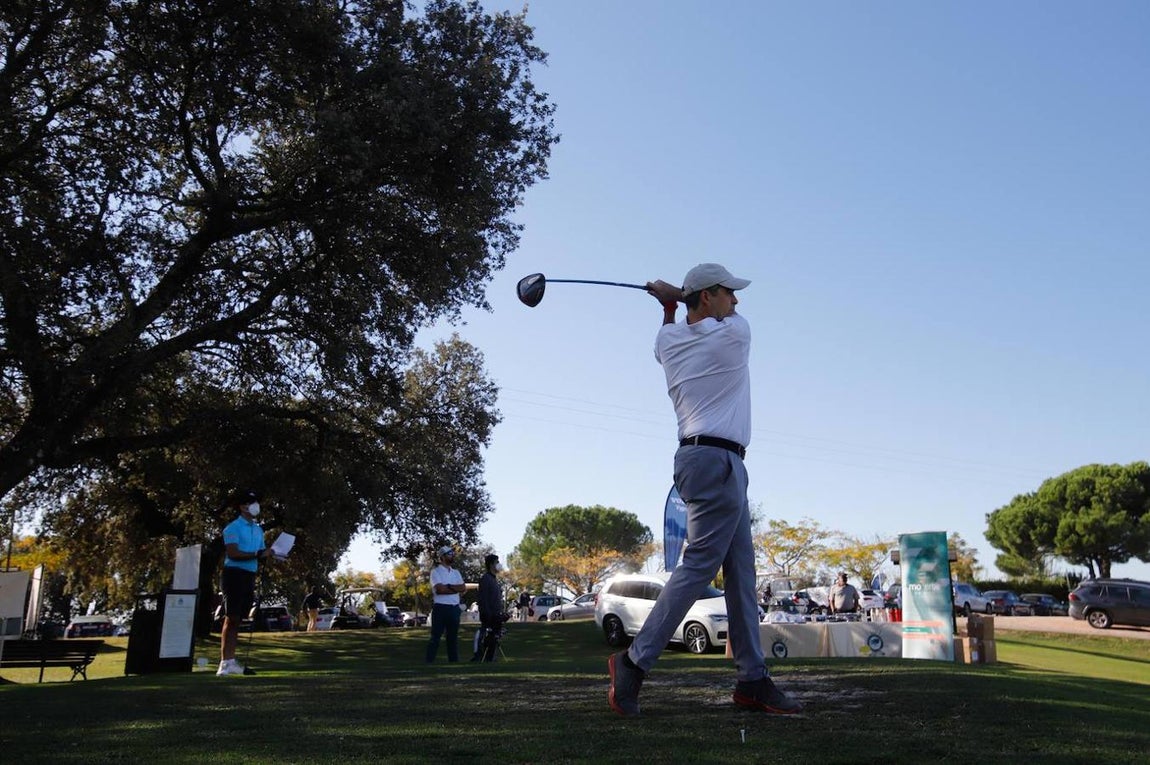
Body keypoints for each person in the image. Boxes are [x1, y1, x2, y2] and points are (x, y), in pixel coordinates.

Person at [607, 263, 802, 717]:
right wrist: (676, 296)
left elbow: (668, 335)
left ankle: (752, 679)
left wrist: (670, 306)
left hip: (706, 460)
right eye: (728, 292)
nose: (736, 300)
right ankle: (633, 663)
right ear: (709, 296)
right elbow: (710, 318)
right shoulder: (734, 334)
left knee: (742, 573)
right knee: (698, 567)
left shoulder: (669, 341)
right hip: (717, 461)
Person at [218, 488, 272, 676]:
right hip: (233, 574)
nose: (256, 506)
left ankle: (231, 661)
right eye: (251, 503)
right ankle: (224, 663)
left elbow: (260, 553)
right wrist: (258, 554)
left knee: (239, 618)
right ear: (242, 507)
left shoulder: (258, 530)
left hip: (249, 575)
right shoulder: (232, 528)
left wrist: (271, 553)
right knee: (231, 617)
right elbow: (233, 553)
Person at [425, 545, 466, 663]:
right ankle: (429, 662)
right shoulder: (435, 572)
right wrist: (454, 589)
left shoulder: (456, 572)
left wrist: (448, 586)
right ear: (442, 557)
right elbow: (440, 590)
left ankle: (454, 662)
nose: (452, 556)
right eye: (449, 554)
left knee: (452, 638)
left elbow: (462, 588)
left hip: (454, 608)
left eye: (452, 553)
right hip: (440, 608)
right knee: (435, 637)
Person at [471, 553, 507, 662]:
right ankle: (481, 656)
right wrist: (487, 614)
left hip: (495, 615)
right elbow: (483, 599)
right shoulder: (486, 579)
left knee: (494, 637)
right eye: (497, 562)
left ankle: (491, 658)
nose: (499, 564)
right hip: (489, 615)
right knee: (486, 637)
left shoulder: (494, 579)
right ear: (491, 564)